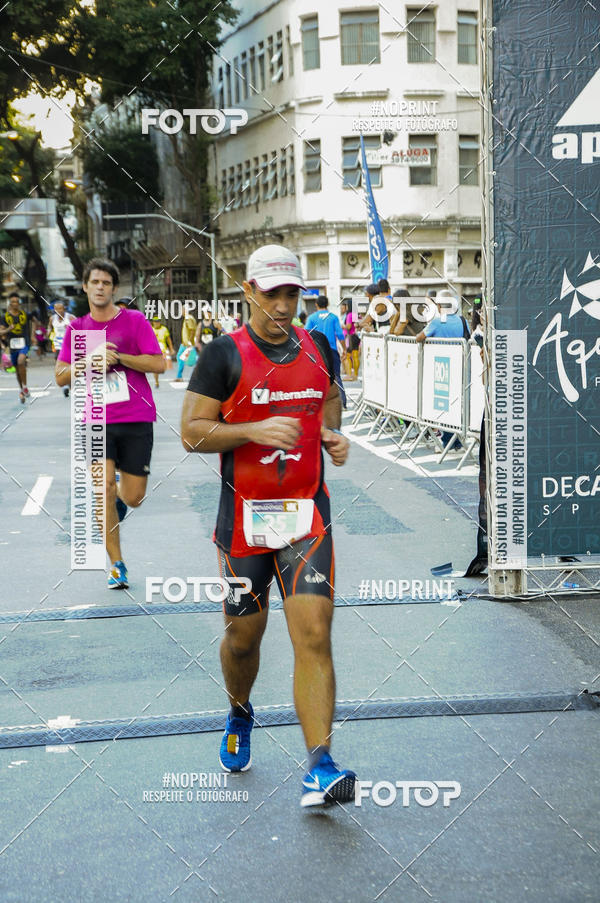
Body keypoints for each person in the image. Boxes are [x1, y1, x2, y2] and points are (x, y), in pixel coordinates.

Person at [181, 243, 356, 809]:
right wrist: (254, 431)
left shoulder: (318, 344)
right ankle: (239, 710)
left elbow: (328, 395)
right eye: (273, 293)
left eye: (292, 294)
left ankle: (320, 766)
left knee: (314, 634)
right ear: (249, 292)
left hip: (307, 516)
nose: (283, 305)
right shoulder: (222, 355)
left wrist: (330, 434)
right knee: (243, 638)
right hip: (245, 523)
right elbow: (192, 432)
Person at [55, 257, 165, 589]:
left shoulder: (133, 321)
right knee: (103, 490)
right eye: (95, 282)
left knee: (133, 497)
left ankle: (122, 500)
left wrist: (120, 358)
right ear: (85, 287)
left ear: (114, 289)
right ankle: (116, 564)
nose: (100, 287)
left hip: (136, 418)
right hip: (97, 420)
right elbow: (60, 376)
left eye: (106, 283)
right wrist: (87, 360)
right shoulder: (77, 329)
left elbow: (159, 363)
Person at [416, 289, 470, 448]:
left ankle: (448, 440)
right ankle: (456, 441)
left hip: (441, 368)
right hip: (460, 367)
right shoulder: (462, 321)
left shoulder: (437, 322)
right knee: (456, 404)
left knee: (444, 405)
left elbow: (419, 338)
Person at [305, 295, 347, 408]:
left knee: (316, 377)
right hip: (331, 350)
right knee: (336, 376)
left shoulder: (312, 318)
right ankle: (343, 402)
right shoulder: (333, 317)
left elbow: (306, 334)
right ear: (327, 304)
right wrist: (344, 349)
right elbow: (339, 334)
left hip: (316, 351)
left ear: (316, 305)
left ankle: (317, 403)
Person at [0, 293, 36, 403]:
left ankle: (24, 387)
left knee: (21, 362)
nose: (15, 304)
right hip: (12, 345)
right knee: (17, 370)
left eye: (17, 301)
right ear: (10, 304)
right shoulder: (5, 317)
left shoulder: (25, 314)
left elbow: (35, 321)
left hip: (24, 343)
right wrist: (8, 329)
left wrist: (32, 335)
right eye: (13, 302)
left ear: (19, 303)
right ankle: (22, 389)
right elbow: (1, 331)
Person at [49, 301, 75, 397]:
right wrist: (48, 333)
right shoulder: (52, 319)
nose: (59, 310)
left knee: (69, 366)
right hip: (58, 345)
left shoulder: (70, 318)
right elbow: (50, 329)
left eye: (61, 308)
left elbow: (80, 328)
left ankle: (70, 384)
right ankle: (65, 385)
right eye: (57, 309)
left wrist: (70, 328)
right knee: (59, 365)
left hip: (69, 345)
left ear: (64, 309)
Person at [150, 317, 175, 388]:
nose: (156, 323)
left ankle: (160, 369)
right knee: (155, 368)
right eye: (155, 322)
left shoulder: (164, 329)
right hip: (154, 351)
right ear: (153, 322)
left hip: (163, 351)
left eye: (158, 321)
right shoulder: (150, 329)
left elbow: (168, 339)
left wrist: (171, 348)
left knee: (162, 367)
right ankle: (156, 381)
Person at [340, 299, 360, 380]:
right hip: (355, 337)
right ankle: (355, 375)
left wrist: (342, 326)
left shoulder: (349, 315)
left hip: (349, 337)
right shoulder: (355, 314)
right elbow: (356, 325)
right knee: (355, 356)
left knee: (347, 356)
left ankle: (349, 375)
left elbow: (348, 326)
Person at [173, 314, 198, 381]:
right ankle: (179, 376)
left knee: (195, 360)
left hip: (187, 343)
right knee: (181, 357)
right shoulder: (188, 318)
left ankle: (180, 376)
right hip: (185, 343)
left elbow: (192, 330)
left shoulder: (188, 318)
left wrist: (189, 341)